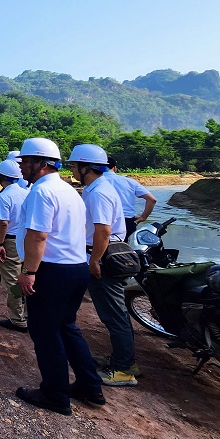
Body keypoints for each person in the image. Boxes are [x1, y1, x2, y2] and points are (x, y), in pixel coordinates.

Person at [14, 138, 103, 415]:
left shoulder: (41, 193)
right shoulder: (68, 191)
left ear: (40, 164)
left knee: (45, 332)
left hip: (51, 270)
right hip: (75, 268)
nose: (21, 168)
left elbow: (39, 235)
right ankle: (90, 385)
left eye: (25, 162)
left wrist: (29, 272)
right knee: (67, 327)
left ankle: (55, 394)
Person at [69, 145, 139, 387]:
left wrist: (94, 260)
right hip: (104, 252)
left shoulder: (98, 192)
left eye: (74, 165)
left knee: (114, 314)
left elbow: (103, 230)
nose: (72, 169)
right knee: (114, 312)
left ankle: (123, 369)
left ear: (85, 167)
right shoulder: (96, 188)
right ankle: (123, 359)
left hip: (105, 255)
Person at [0, 159, 29, 333]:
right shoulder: (26, 193)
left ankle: (18, 319)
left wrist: (0, 243)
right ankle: (27, 314)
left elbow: (3, 223)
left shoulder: (4, 196)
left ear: (1, 176)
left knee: (12, 281)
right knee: (26, 276)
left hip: (11, 241)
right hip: (27, 240)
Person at [105, 156, 157, 241]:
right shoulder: (129, 181)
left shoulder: (95, 182)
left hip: (103, 222)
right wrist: (143, 217)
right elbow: (152, 200)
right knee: (126, 251)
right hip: (127, 222)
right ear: (114, 168)